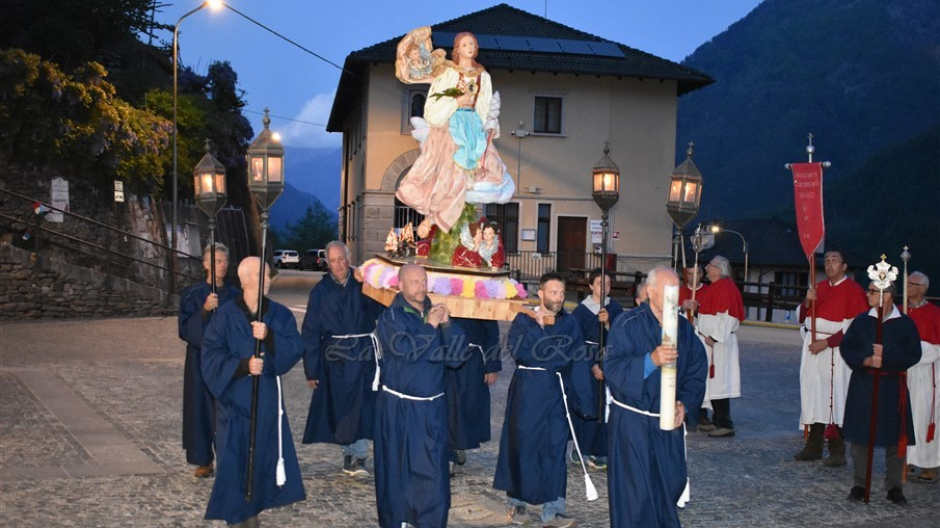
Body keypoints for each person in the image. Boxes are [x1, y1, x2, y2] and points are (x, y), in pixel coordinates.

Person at [201, 257, 306, 527]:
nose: (269, 280)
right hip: (234, 403)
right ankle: (237, 515)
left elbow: (295, 348)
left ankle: (254, 509)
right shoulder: (225, 315)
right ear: (245, 279)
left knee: (261, 456)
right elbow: (210, 355)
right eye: (263, 275)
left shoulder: (279, 314)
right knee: (233, 457)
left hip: (266, 401)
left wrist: (269, 336)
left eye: (269, 275)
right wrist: (243, 365)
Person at [605, 266, 708, 528]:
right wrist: (650, 360)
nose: (675, 295)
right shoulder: (627, 324)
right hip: (633, 424)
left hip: (668, 425)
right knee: (635, 495)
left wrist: (684, 403)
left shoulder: (683, 329)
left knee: (669, 485)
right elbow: (613, 369)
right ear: (650, 292)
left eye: (677, 289)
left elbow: (696, 371)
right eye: (668, 290)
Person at [373, 264, 466, 528]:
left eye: (424, 281)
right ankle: (399, 519)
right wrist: (430, 327)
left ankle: (430, 521)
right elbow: (405, 352)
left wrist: (447, 324)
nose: (421, 286)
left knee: (434, 472)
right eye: (414, 282)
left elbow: (457, 358)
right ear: (401, 285)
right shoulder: (391, 317)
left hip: (432, 409)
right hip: (399, 408)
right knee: (397, 469)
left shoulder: (435, 312)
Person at [396, 31, 514, 233]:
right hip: (453, 127)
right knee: (451, 177)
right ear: (457, 49)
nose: (469, 47)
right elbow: (434, 103)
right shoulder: (449, 74)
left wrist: (490, 125)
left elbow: (484, 105)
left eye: (472, 43)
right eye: (465, 44)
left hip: (474, 128)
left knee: (485, 172)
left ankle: (444, 221)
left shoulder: (483, 76)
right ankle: (433, 218)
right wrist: (455, 102)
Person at [494, 272, 583, 528]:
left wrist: (545, 344)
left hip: (556, 392)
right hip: (527, 392)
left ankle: (553, 510)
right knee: (523, 445)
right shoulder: (523, 320)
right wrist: (543, 330)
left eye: (562, 293)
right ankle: (517, 503)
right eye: (553, 292)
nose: (558, 297)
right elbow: (522, 353)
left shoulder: (570, 323)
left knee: (555, 448)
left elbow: (568, 355)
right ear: (541, 293)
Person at [301, 241, 384, 476]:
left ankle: (358, 456)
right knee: (341, 406)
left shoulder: (363, 283)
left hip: (364, 352)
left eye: (342, 259)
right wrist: (312, 369)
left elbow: (378, 309)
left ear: (349, 259)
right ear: (327, 263)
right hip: (335, 357)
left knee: (363, 404)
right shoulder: (320, 291)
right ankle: (348, 453)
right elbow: (310, 332)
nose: (339, 264)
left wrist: (368, 283)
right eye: (334, 260)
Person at [841, 280, 920, 505]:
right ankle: (860, 484)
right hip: (865, 385)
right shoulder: (862, 321)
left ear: (886, 296)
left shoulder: (904, 323)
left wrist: (886, 357)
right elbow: (848, 347)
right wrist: (866, 359)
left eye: (872, 291)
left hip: (891, 386)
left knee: (895, 439)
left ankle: (894, 487)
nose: (867, 294)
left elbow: (913, 354)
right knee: (861, 438)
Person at [793, 250, 868, 465]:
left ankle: (837, 450)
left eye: (834, 261)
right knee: (814, 394)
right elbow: (802, 316)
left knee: (834, 397)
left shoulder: (853, 291)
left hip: (835, 349)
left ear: (844, 266)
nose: (829, 264)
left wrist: (826, 343)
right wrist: (807, 302)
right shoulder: (818, 288)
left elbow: (855, 326)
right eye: (826, 261)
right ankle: (813, 445)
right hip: (812, 348)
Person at [178, 242, 241, 478]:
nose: (221, 266)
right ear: (205, 264)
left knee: (226, 409)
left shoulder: (235, 295)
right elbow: (185, 329)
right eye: (216, 261)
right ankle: (203, 459)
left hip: (225, 360)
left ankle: (229, 456)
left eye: (224, 261)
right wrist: (204, 310)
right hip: (199, 360)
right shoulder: (193, 294)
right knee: (200, 409)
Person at [570, 268, 625, 469]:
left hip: (609, 360)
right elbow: (576, 340)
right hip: (587, 362)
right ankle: (582, 447)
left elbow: (622, 337)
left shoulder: (616, 309)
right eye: (600, 283)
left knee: (606, 407)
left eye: (608, 284)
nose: (605, 287)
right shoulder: (582, 311)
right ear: (591, 286)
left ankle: (601, 450)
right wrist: (591, 365)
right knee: (588, 405)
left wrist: (609, 323)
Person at [696, 255, 745, 437]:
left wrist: (715, 337)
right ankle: (717, 420)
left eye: (709, 266)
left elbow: (729, 316)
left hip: (719, 344)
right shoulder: (716, 287)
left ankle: (725, 423)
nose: (706, 269)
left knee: (719, 381)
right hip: (710, 342)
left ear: (718, 269)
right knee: (713, 381)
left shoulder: (727, 288)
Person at [446, 317, 501, 475]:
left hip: (472, 360)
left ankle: (458, 446)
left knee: (465, 406)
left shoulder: (483, 298)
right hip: (443, 355)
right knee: (445, 406)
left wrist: (491, 366)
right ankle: (447, 453)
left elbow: (492, 334)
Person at [905, 271, 940, 482]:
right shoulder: (900, 312)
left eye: (914, 284)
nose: (909, 287)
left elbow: (936, 347)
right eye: (907, 283)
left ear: (924, 288)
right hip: (903, 373)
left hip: (927, 373)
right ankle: (905, 461)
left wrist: (914, 354)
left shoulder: (935, 314)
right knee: (905, 416)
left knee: (925, 416)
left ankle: (929, 463)